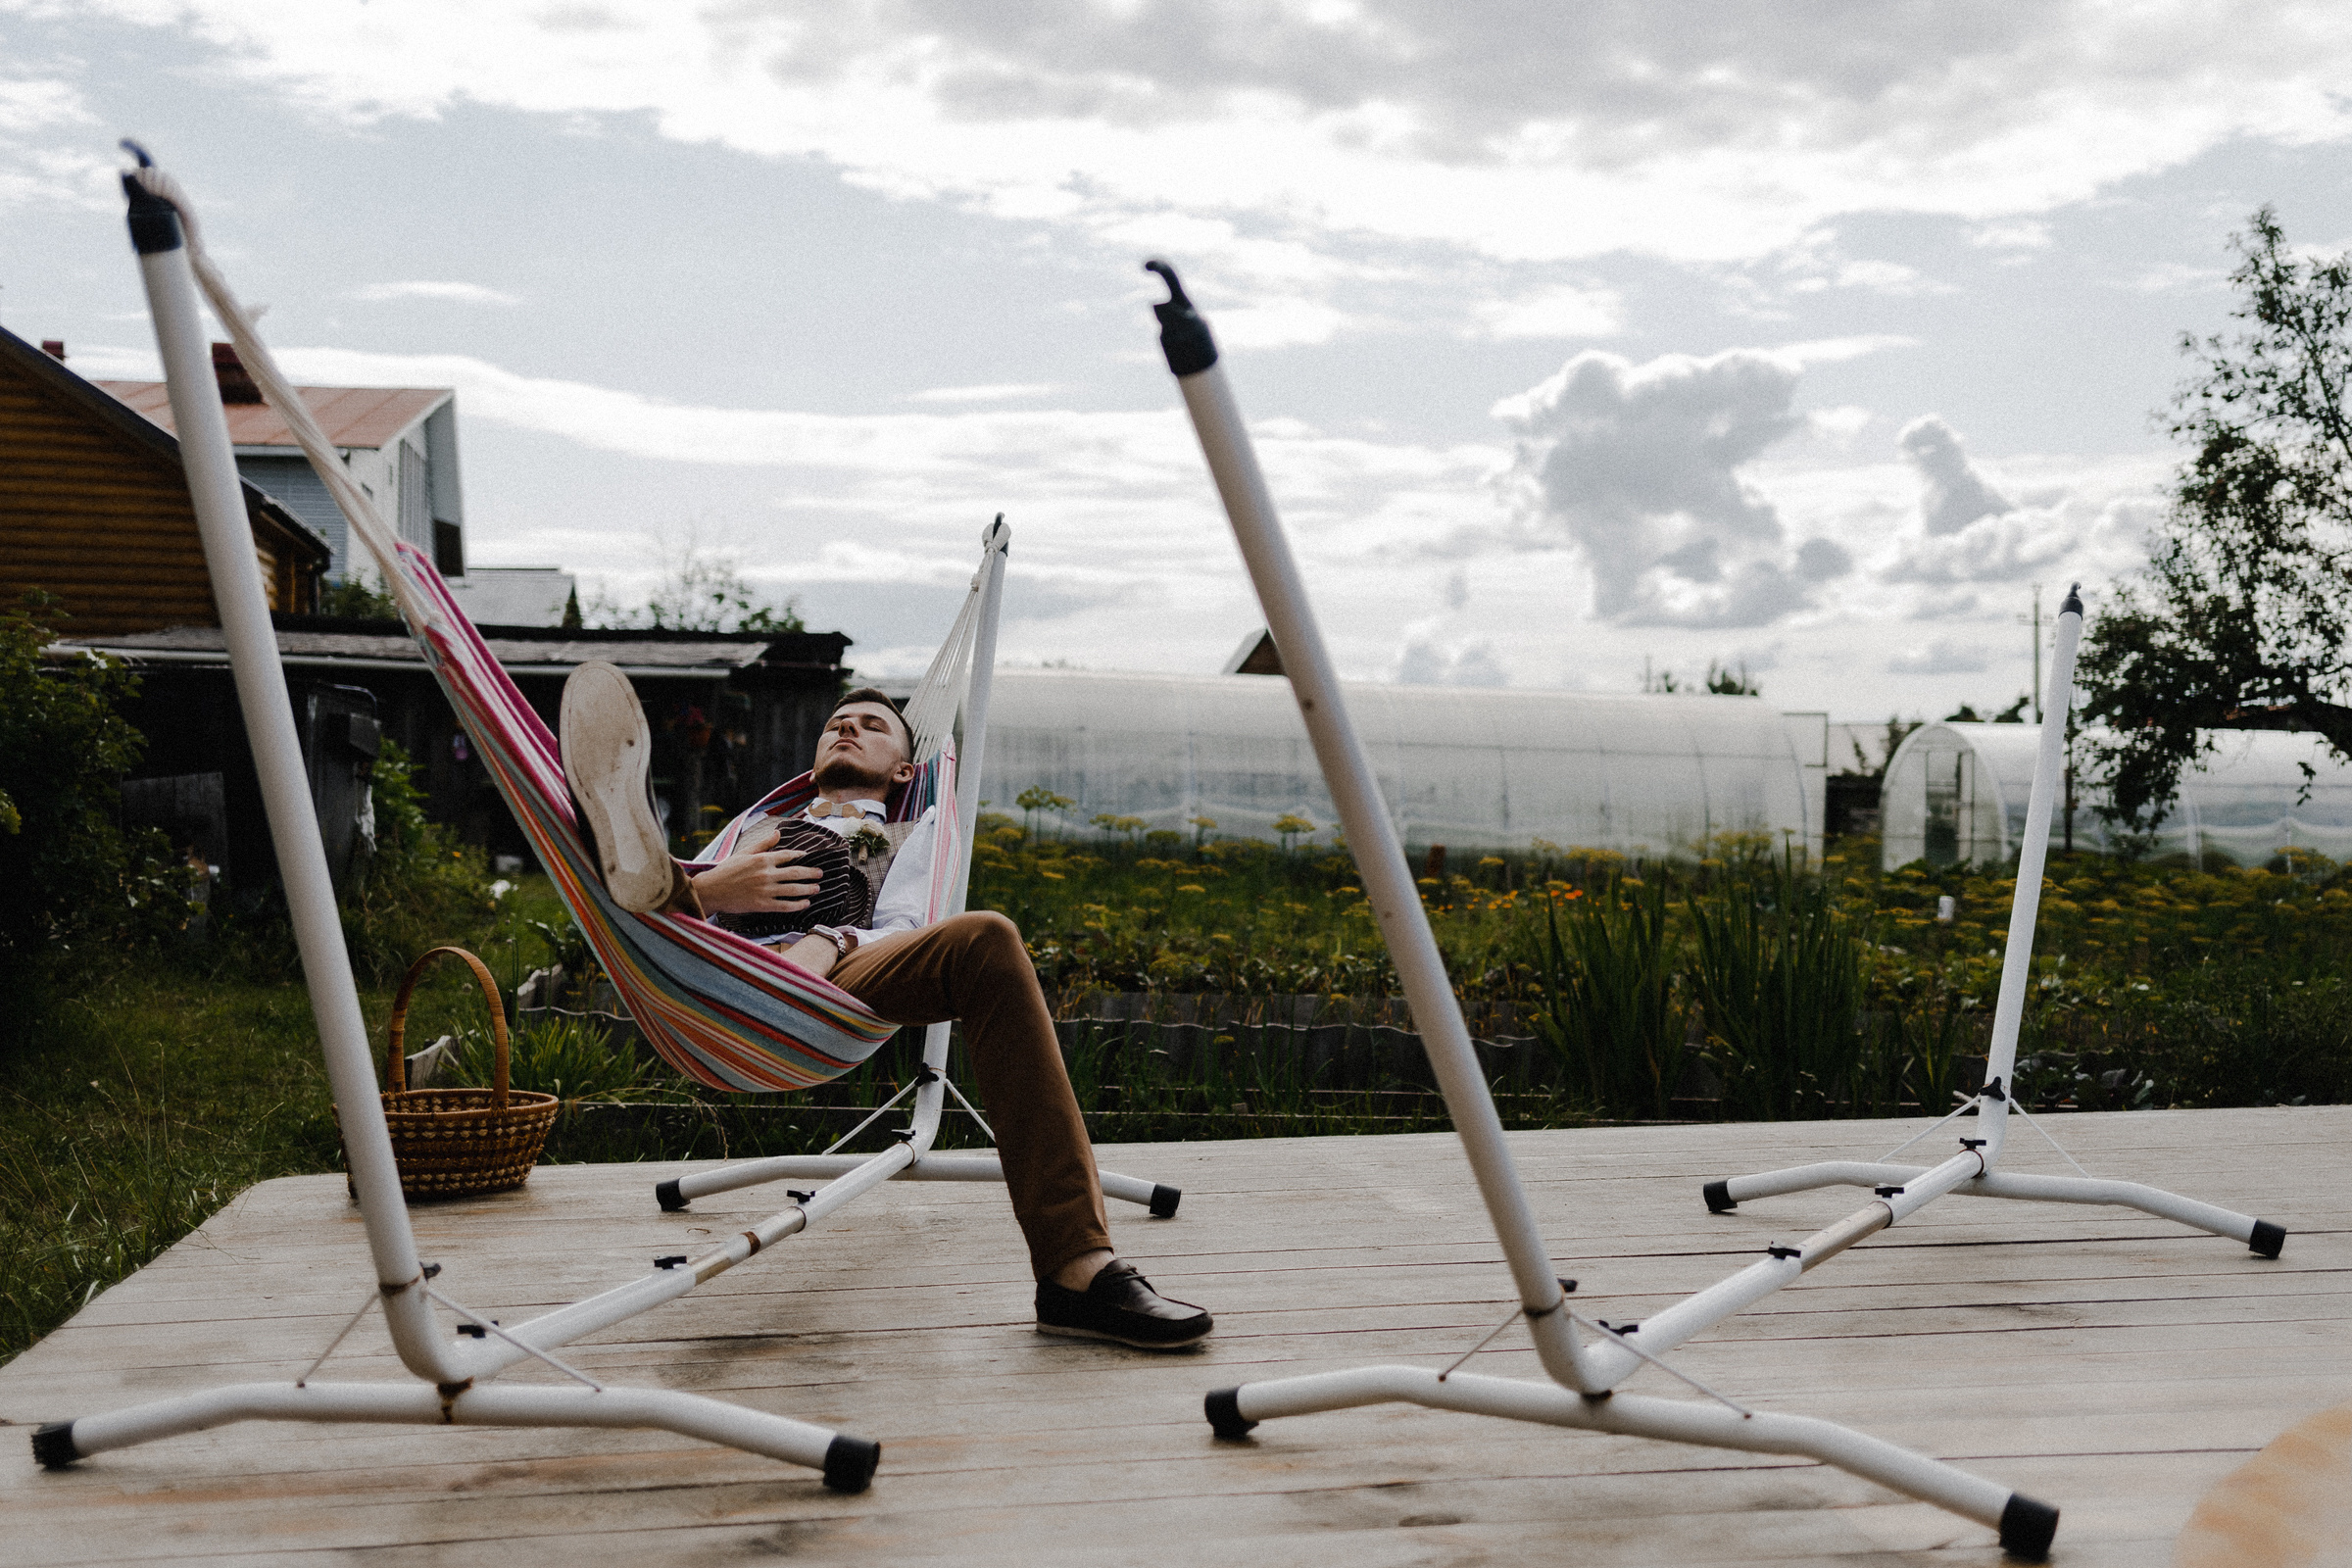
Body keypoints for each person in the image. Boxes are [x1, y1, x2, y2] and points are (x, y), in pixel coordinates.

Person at [560, 661, 1211, 1349]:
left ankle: (1077, 1269)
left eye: (872, 726)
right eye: (837, 724)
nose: (848, 728)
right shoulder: (755, 825)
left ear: (903, 771)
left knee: (986, 938)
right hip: (725, 976)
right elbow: (683, 928)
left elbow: (905, 927)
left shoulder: (916, 828)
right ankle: (603, 826)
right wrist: (718, 889)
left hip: (842, 972)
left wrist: (825, 939)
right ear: (812, 764)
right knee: (662, 889)